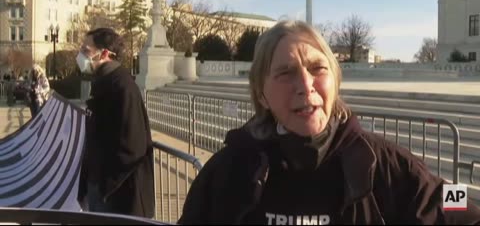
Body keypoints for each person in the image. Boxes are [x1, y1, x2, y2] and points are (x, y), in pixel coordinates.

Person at [178, 21, 480, 225]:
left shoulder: (385, 165)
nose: (305, 85)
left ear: (335, 80)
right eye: (286, 73)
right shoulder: (224, 172)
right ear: (262, 93)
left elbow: (450, 200)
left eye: (317, 68)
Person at [76, 28, 154, 218]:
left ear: (105, 54)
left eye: (86, 50)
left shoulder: (122, 87)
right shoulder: (104, 83)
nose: (81, 55)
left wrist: (105, 185)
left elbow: (133, 146)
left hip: (117, 195)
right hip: (101, 187)